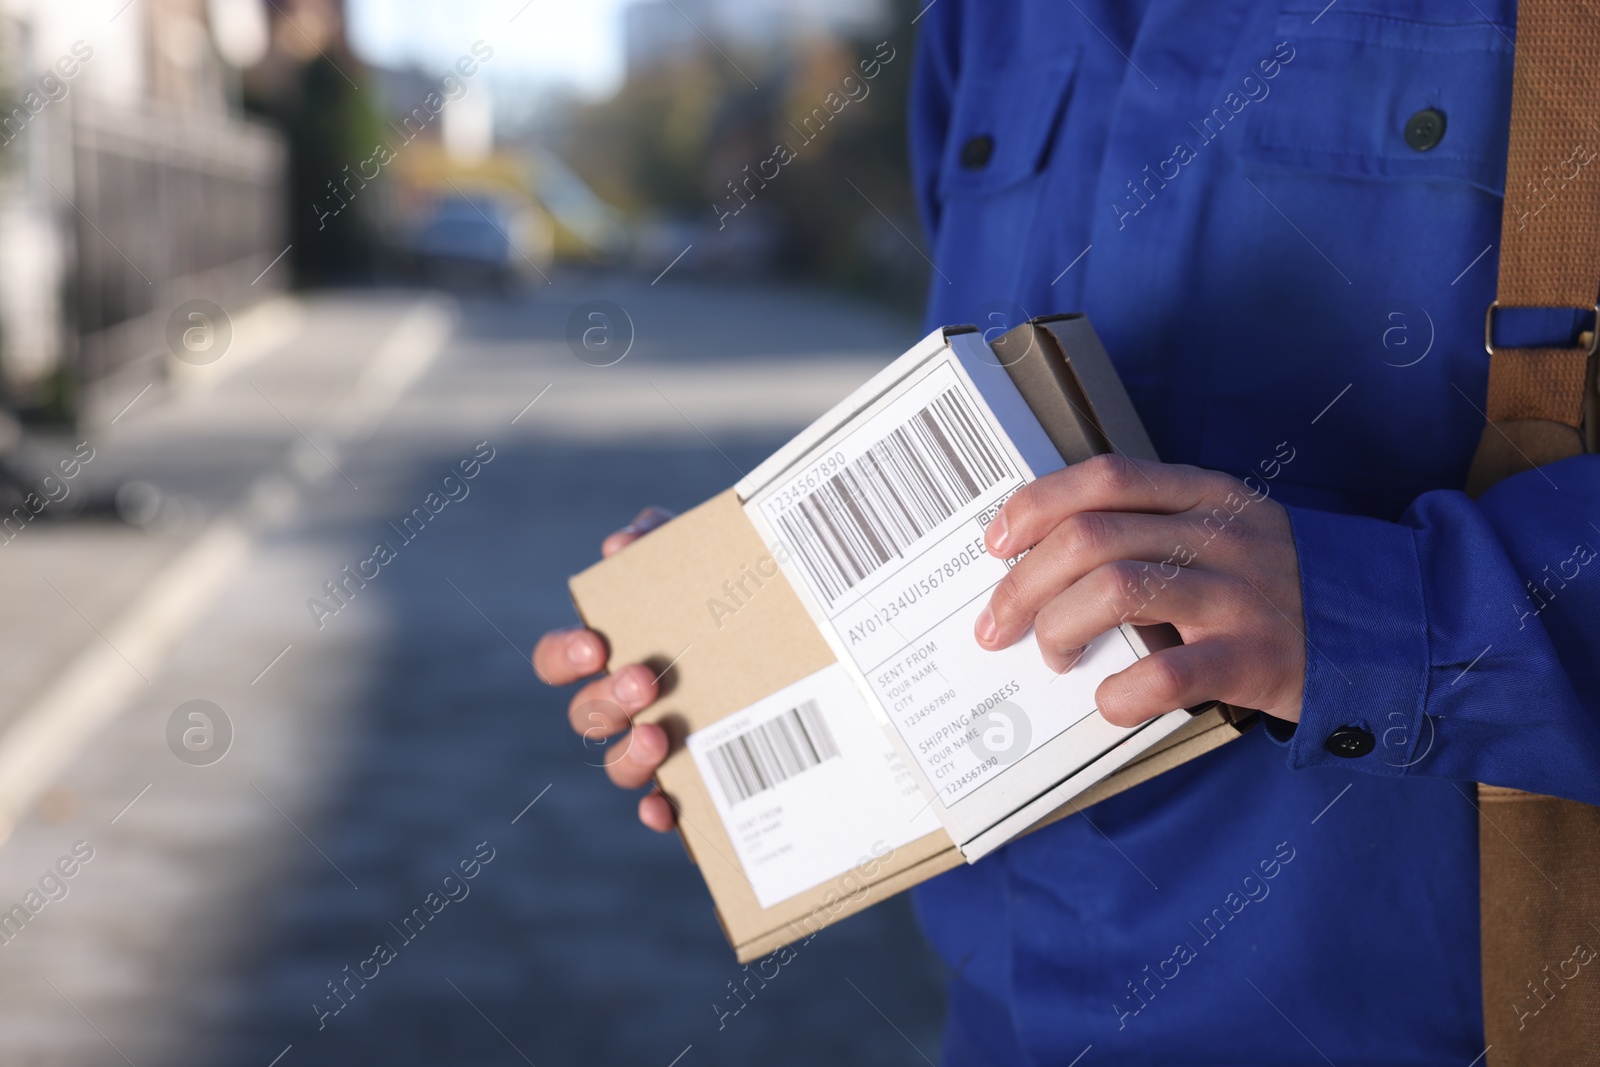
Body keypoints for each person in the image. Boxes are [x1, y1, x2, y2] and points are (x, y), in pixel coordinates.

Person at [536, 1, 1600, 1061]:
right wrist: (761, 632)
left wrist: (1375, 616)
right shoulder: (983, 23)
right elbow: (996, 463)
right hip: (1004, 1021)